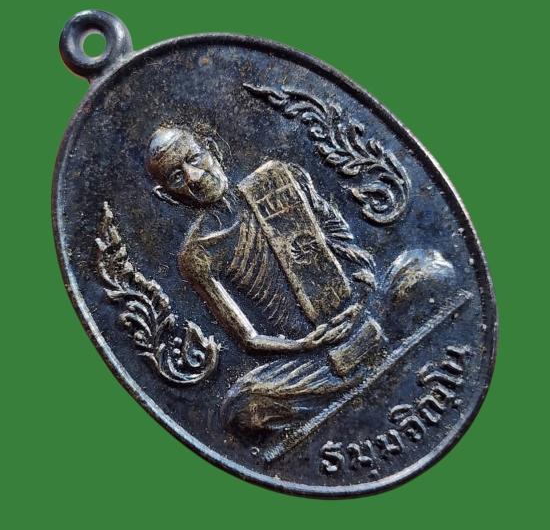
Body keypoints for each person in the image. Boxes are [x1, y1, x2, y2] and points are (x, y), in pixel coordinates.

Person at [146, 125, 455, 434]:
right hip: (309, 355)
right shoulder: (196, 254)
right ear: (166, 195)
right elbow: (248, 339)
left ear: (213, 149)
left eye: (195, 159)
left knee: (426, 269)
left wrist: (362, 294)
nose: (194, 177)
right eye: (177, 177)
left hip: (358, 309)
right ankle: (366, 347)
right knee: (243, 409)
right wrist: (305, 344)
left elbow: (341, 239)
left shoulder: (277, 179)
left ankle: (357, 353)